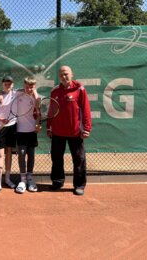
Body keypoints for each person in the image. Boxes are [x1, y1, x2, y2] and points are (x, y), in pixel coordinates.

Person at [47, 65, 92, 196]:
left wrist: (86, 128)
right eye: (61, 74)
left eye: (66, 74)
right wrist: (49, 127)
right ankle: (57, 181)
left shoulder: (80, 89)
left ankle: (79, 185)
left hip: (76, 132)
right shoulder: (55, 91)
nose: (63, 76)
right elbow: (51, 111)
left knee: (79, 159)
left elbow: (86, 110)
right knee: (56, 158)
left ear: (72, 74)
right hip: (57, 132)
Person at [0, 75, 17, 195]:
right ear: (2, 84)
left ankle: (7, 179)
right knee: (0, 154)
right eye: (6, 83)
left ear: (13, 84)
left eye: (10, 83)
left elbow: (30, 90)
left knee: (9, 153)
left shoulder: (16, 94)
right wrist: (1, 119)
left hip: (12, 126)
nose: (8, 84)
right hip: (0, 127)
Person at [15, 77, 40, 194]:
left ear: (34, 87)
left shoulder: (36, 97)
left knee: (31, 155)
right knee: (21, 154)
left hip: (31, 130)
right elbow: (5, 92)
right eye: (27, 86)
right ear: (24, 85)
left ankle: (30, 178)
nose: (29, 89)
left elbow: (38, 110)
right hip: (20, 130)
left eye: (32, 87)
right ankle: (22, 180)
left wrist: (38, 124)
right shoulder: (18, 93)